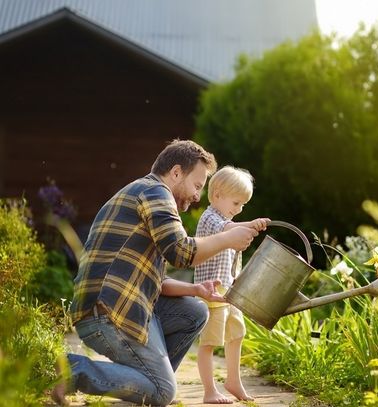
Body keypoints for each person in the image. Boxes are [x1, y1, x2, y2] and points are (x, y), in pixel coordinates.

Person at [52, 140, 259, 406]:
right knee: (163, 392)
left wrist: (195, 289)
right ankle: (72, 370)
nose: (198, 196)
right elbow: (181, 252)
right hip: (107, 313)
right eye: (197, 185)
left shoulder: (143, 193)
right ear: (175, 173)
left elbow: (156, 280)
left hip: (121, 305)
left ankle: (144, 387)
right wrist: (228, 239)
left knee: (195, 311)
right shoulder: (155, 193)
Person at [194, 166, 269, 404]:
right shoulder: (211, 219)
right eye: (236, 203)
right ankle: (209, 390)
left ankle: (233, 381)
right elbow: (227, 231)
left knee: (236, 333)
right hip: (212, 291)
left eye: (243, 206)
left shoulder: (226, 219)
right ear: (217, 195)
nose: (238, 210)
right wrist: (251, 224)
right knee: (210, 341)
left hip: (229, 290)